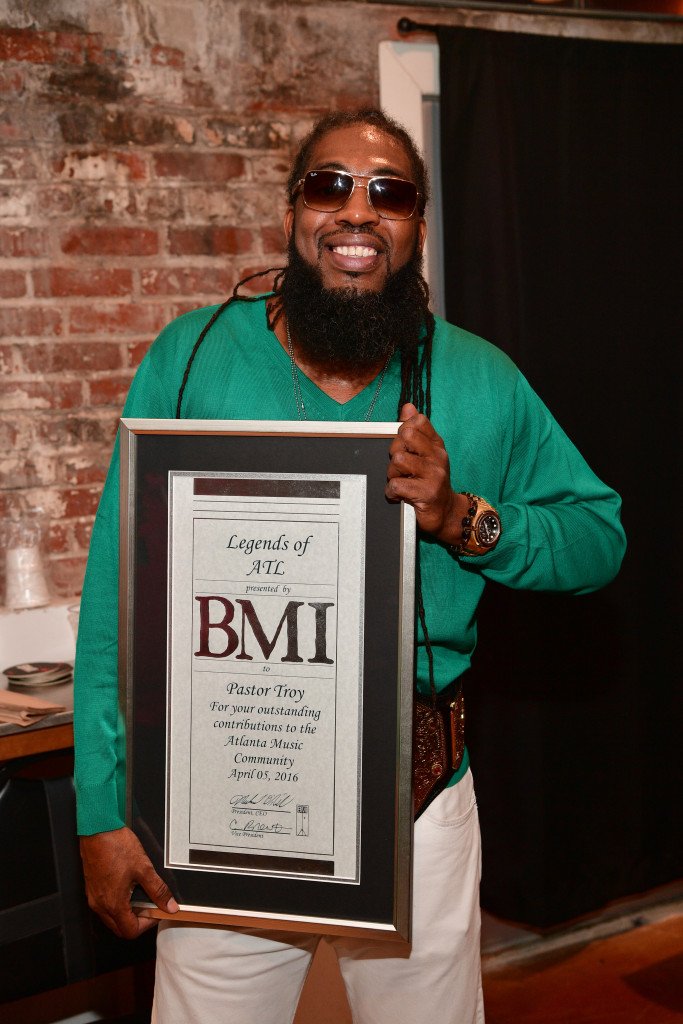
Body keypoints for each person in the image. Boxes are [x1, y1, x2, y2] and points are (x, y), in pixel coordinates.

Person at [74, 108, 626, 1024]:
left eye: (390, 193)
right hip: (223, 802)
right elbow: (114, 599)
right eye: (329, 185)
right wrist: (100, 808)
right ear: (293, 210)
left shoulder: (480, 378)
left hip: (419, 806)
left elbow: (597, 538)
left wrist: (461, 520)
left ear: (416, 225)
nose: (356, 212)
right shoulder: (193, 357)